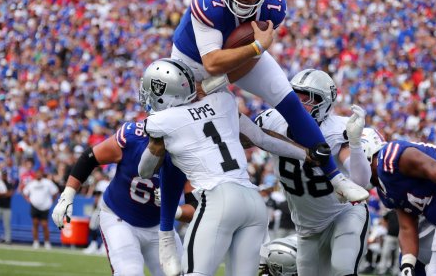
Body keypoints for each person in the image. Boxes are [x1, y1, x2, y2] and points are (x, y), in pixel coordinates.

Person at [171, 0, 368, 203]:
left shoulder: (274, 7)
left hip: (244, 56)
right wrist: (256, 47)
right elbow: (212, 63)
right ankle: (167, 222)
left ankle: (336, 177)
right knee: (176, 130)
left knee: (290, 103)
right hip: (189, 64)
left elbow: (248, 61)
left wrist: (221, 78)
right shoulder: (208, 1)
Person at [138, 58, 330, 276]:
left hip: (218, 198)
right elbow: (261, 138)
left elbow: (144, 172)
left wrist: (156, 146)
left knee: (195, 273)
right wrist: (306, 154)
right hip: (253, 203)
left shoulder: (162, 121)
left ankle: (166, 238)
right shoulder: (221, 101)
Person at [255, 69, 371, 276]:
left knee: (342, 268)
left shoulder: (336, 130)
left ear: (324, 102)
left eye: (307, 98)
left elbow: (361, 181)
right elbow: (245, 137)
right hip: (307, 228)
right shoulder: (272, 120)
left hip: (343, 213)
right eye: (295, 95)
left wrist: (354, 144)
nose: (298, 103)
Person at [52, 120, 193, 276]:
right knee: (130, 272)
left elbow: (194, 209)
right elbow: (90, 157)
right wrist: (68, 194)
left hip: (159, 226)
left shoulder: (187, 156)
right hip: (119, 217)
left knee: (181, 273)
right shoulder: (132, 137)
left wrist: (173, 209)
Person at [362, 128, 436, 275]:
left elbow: (430, 166)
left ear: (365, 153)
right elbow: (407, 225)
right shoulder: (383, 189)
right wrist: (407, 265)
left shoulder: (389, 157)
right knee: (412, 265)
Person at [23, 168, 59, 249]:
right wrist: (28, 200)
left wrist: (51, 201)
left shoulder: (48, 183)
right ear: (35, 174)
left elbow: (55, 192)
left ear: (42, 174)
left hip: (45, 206)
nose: (38, 175)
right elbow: (25, 192)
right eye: (37, 173)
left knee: (44, 225)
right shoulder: (31, 183)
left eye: (40, 173)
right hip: (34, 206)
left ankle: (47, 242)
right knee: (35, 224)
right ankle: (36, 242)